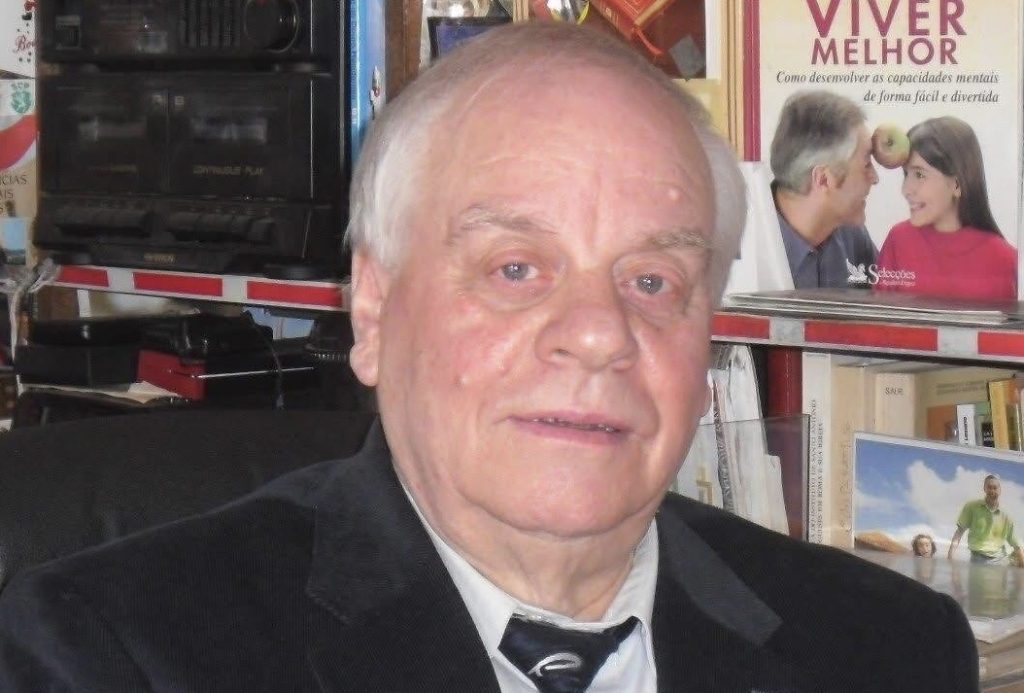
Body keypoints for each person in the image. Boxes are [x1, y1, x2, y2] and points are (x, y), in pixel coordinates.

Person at [0, 22, 978, 693]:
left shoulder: (891, 650)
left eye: (651, 280)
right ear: (374, 311)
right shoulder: (110, 654)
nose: (598, 332)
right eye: (515, 268)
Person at [874, 116, 1017, 300]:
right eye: (906, 174)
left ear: (957, 184)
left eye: (919, 175)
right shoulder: (898, 240)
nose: (906, 189)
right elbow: (880, 316)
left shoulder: (1006, 261)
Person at [769, 90, 880, 289]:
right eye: (866, 165)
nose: (875, 178)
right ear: (823, 179)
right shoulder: (742, 248)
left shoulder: (851, 235)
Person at [949, 474, 1024, 565]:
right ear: (984, 489)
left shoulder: (1006, 516)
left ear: (1000, 490)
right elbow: (959, 532)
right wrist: (950, 557)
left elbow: (1016, 544)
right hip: (977, 558)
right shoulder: (972, 507)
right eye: (989, 487)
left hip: (1000, 559)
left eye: (995, 488)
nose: (992, 491)